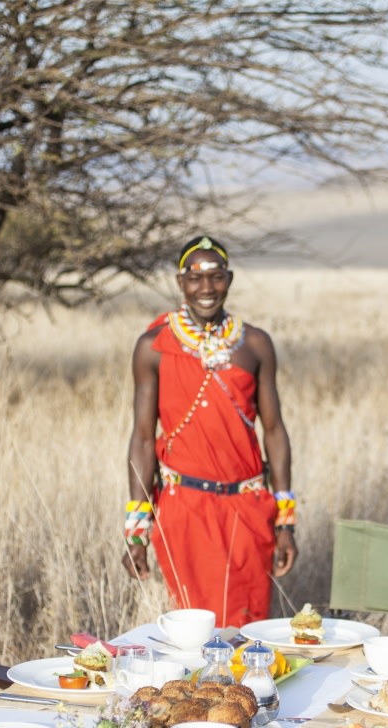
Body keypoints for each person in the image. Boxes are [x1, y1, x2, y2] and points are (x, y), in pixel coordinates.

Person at [122, 235, 298, 627]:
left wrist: (285, 520)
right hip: (186, 506)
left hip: (248, 507)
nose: (206, 289)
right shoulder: (153, 346)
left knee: (249, 629)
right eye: (195, 278)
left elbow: (274, 431)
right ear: (180, 282)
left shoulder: (254, 344)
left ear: (229, 279)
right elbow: (143, 438)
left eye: (216, 277)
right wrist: (136, 530)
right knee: (198, 632)